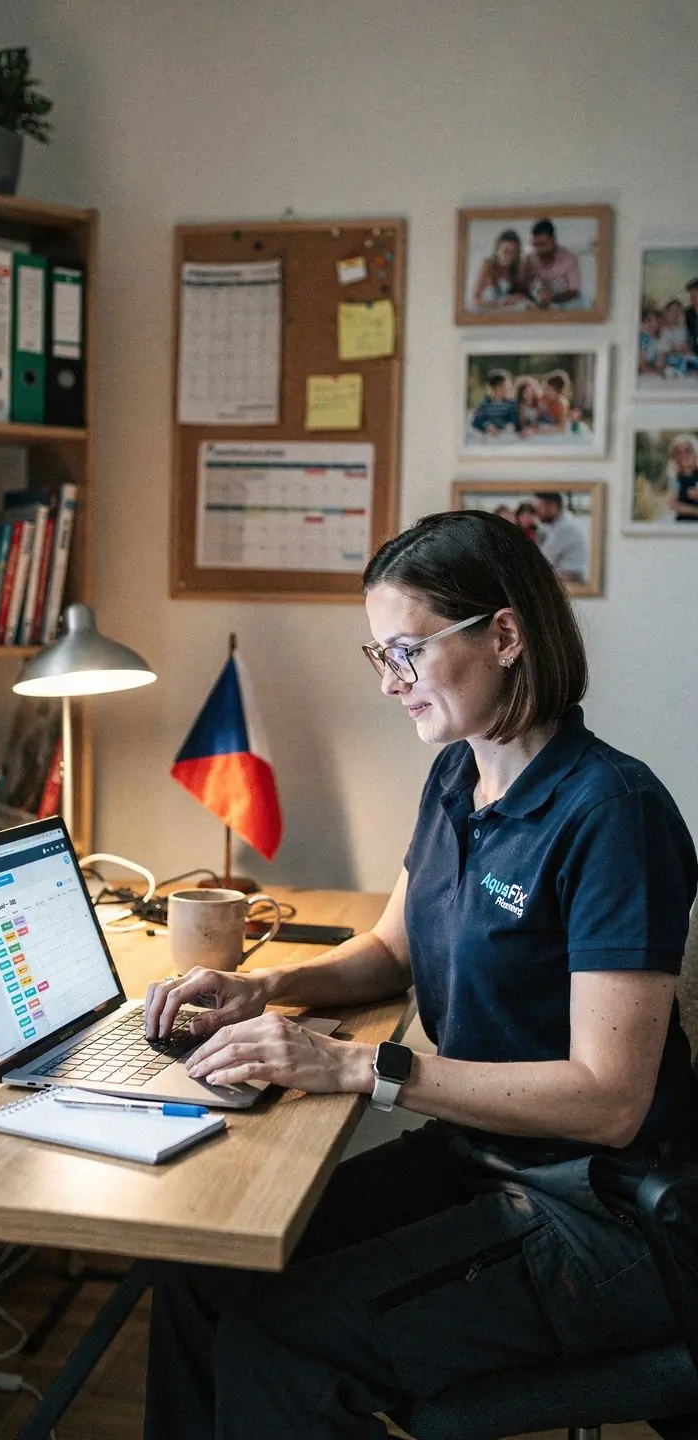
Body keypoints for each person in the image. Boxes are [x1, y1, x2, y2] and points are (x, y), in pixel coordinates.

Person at [142, 510, 698, 1440]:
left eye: (409, 652)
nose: (392, 684)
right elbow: (392, 952)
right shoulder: (456, 781)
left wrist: (355, 1067)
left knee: (282, 1344)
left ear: (507, 634)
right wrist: (267, 988)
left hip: (603, 1214)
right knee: (203, 1276)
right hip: (480, 1161)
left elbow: (609, 1101)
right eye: (380, 656)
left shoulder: (614, 814)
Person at [523, 218, 582, 308]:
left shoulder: (570, 258)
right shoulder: (529, 259)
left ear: (554, 239)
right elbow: (524, 285)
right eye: (535, 245)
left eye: (543, 244)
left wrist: (552, 298)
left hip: (564, 305)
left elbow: (574, 290)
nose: (539, 250)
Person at [533, 490, 587, 581]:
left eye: (540, 507)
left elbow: (543, 559)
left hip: (571, 579)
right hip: (562, 576)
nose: (537, 511)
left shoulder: (565, 528)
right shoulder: (553, 525)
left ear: (553, 506)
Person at [471, 229, 527, 310]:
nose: (509, 257)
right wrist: (499, 303)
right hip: (488, 314)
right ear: (497, 250)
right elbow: (475, 300)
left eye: (514, 252)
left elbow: (524, 294)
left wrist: (519, 297)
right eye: (505, 251)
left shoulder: (519, 266)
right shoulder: (487, 266)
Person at [469, 368, 521, 436]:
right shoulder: (485, 404)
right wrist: (487, 426)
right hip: (489, 436)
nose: (508, 388)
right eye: (505, 386)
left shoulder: (511, 404)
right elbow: (476, 421)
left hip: (505, 436)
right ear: (496, 387)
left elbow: (515, 420)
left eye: (509, 386)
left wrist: (510, 425)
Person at [658, 298, 698, 377]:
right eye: (671, 311)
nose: (674, 314)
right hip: (667, 359)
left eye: (677, 311)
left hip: (683, 357)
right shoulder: (661, 329)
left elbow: (687, 344)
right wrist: (674, 348)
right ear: (666, 312)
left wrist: (687, 347)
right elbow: (660, 349)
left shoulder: (682, 329)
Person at [666, 432, 698, 522]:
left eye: (688, 451)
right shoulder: (675, 479)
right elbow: (673, 504)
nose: (684, 456)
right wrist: (694, 511)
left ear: (695, 453)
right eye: (678, 453)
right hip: (684, 523)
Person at [638, 305, 665, 375]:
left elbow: (659, 362)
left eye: (656, 321)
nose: (653, 323)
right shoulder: (644, 338)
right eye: (648, 320)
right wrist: (655, 372)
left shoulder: (654, 339)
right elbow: (641, 364)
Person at [685, 278, 698, 356]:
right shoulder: (686, 313)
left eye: (696, 293)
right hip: (692, 356)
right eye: (691, 293)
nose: (693, 296)